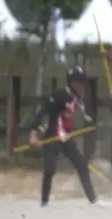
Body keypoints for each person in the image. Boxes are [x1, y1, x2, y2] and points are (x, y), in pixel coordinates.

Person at [26, 65, 97, 206]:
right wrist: (33, 136)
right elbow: (41, 114)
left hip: (66, 138)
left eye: (83, 81)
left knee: (82, 165)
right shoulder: (59, 95)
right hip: (53, 137)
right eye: (79, 81)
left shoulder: (78, 97)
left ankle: (93, 199)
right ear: (71, 82)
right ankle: (44, 202)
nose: (82, 85)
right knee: (50, 170)